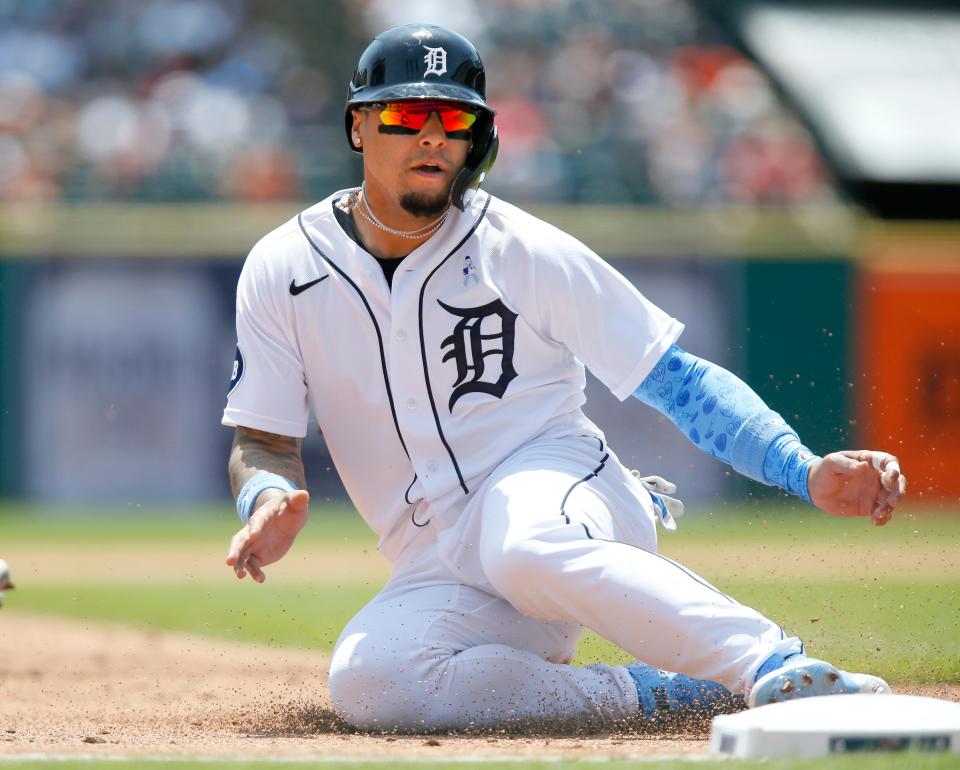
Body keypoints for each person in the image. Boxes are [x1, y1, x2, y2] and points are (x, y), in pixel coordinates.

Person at [222, 24, 906, 731]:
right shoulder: (284, 267)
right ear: (359, 126)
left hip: (561, 489)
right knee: (373, 683)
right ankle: (652, 695)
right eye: (405, 115)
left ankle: (776, 665)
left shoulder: (520, 248)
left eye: (453, 118)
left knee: (524, 545)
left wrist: (801, 467)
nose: (432, 136)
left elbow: (675, 378)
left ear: (474, 140)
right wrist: (265, 495)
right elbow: (260, 435)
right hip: (439, 553)